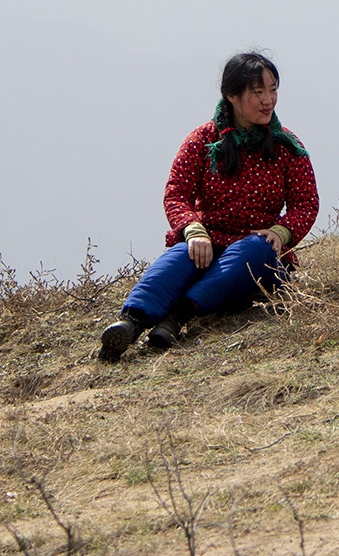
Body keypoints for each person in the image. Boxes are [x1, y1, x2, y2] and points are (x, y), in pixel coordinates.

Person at [99, 51, 319, 361]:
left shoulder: (286, 145)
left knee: (253, 249)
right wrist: (193, 229)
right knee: (178, 258)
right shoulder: (203, 140)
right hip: (210, 239)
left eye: (272, 89)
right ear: (231, 94)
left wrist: (281, 233)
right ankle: (131, 323)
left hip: (258, 251)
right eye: (258, 92)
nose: (269, 99)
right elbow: (176, 192)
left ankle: (177, 317)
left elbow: (305, 203)